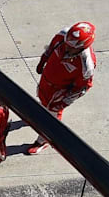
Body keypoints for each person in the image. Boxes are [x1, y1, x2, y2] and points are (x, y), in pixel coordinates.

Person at [28, 22, 96, 155]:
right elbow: (50, 48)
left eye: (71, 48)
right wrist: (43, 61)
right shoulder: (63, 36)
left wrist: (64, 102)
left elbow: (82, 88)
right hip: (46, 81)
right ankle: (43, 112)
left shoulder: (86, 65)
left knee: (52, 114)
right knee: (42, 100)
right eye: (66, 44)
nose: (66, 49)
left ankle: (45, 139)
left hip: (59, 91)